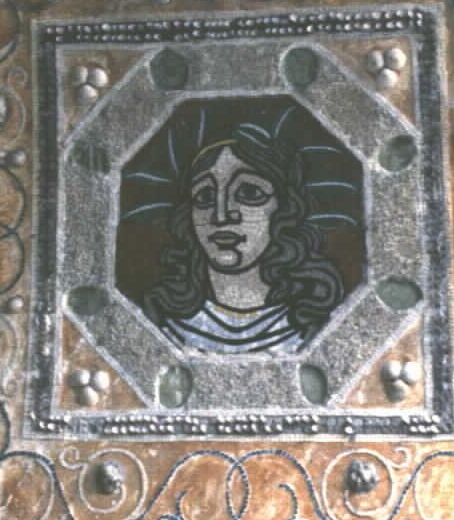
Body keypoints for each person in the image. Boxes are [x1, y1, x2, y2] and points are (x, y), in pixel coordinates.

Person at [141, 115, 347, 354]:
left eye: (249, 192)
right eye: (204, 196)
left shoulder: (310, 331)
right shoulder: (164, 328)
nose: (221, 216)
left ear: (284, 209)